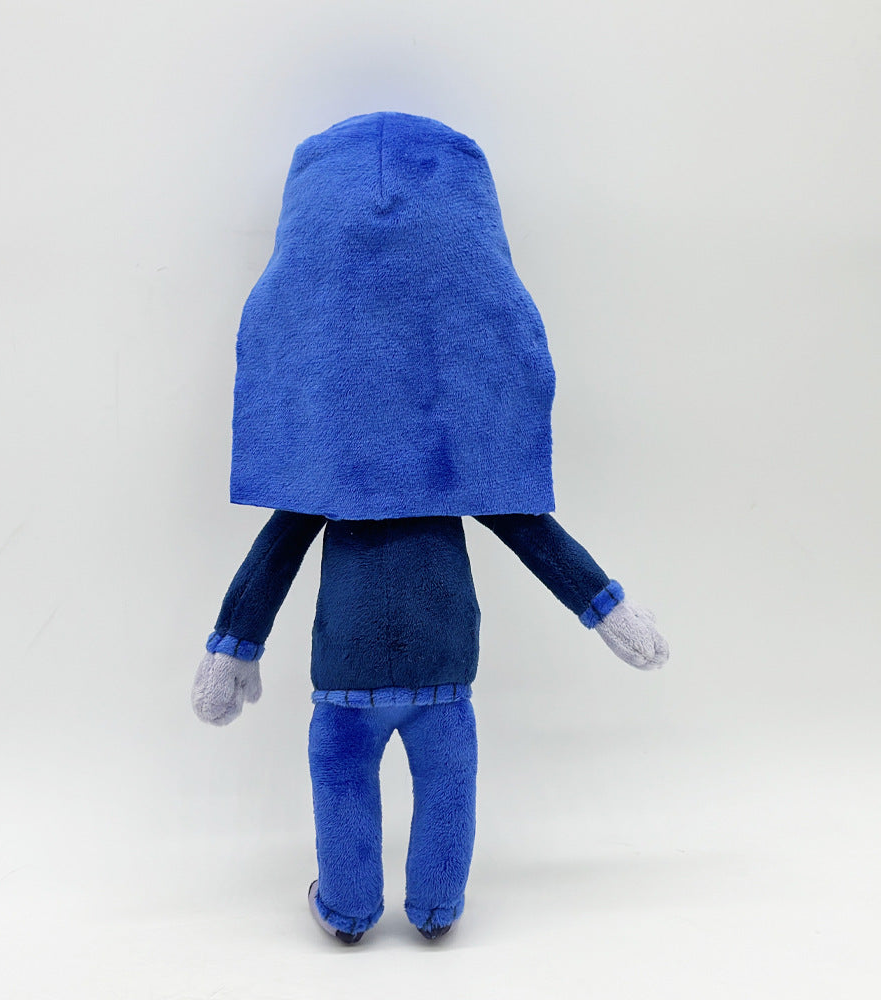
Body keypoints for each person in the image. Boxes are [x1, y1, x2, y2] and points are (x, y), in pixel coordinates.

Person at [192, 113, 668, 943]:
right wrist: (608, 609)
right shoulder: (462, 466)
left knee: (342, 777)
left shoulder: (324, 476)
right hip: (445, 669)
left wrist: (234, 649)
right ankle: (435, 905)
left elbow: (275, 554)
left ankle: (348, 905)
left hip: (345, 674)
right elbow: (534, 534)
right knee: (446, 783)